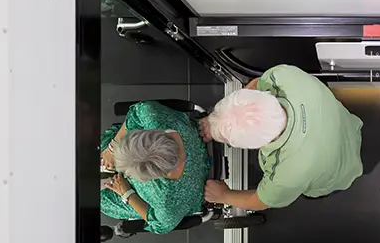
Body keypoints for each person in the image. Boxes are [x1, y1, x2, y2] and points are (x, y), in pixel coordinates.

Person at [200, 65, 363, 210]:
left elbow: (261, 201)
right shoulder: (282, 76)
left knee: (315, 189)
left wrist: (224, 195)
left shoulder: (286, 176)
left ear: (259, 146)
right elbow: (257, 84)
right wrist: (216, 122)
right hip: (347, 125)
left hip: (342, 173)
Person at [99, 101, 209, 234]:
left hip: (198, 189)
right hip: (195, 140)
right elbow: (137, 112)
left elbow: (159, 225)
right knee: (106, 145)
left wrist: (128, 194)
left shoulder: (165, 201)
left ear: (149, 179)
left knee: (103, 203)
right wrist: (112, 148)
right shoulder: (152, 115)